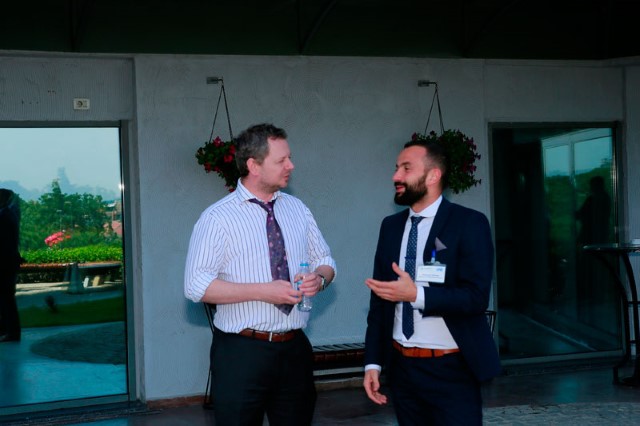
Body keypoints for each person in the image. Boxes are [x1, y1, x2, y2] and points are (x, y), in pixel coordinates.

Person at [184, 123, 336, 426]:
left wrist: (319, 279)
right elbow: (195, 286)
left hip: (295, 349)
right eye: (281, 160)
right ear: (254, 165)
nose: (291, 166)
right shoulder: (217, 218)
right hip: (241, 353)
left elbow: (325, 260)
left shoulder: (298, 209)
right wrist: (263, 291)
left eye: (289, 158)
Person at [362, 138, 501, 425]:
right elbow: (379, 302)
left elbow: (476, 297)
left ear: (433, 175)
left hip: (452, 368)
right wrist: (372, 363)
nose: (396, 176)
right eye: (396, 168)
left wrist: (416, 295)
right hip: (402, 369)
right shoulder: (390, 227)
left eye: (406, 168)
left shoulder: (469, 223)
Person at [0, 188, 23, 343]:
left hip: (4, 263)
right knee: (5, 298)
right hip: (9, 262)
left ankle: (11, 332)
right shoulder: (10, 214)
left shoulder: (4, 216)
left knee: (6, 298)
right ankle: (6, 329)